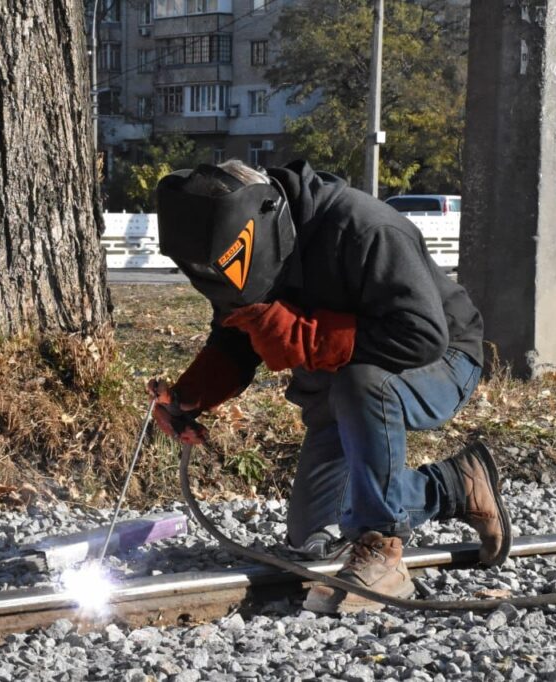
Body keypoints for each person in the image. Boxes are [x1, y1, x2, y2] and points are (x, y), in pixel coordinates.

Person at [147, 160, 511, 614]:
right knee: (313, 534)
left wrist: (306, 333)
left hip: (443, 358)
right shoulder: (237, 247)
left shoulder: (365, 229)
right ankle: (455, 486)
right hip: (343, 390)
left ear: (264, 225)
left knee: (363, 380)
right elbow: (237, 334)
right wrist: (187, 397)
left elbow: (420, 335)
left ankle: (382, 550)